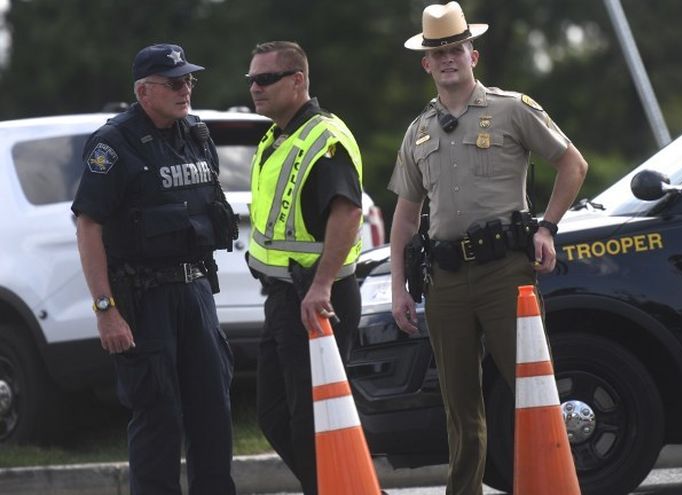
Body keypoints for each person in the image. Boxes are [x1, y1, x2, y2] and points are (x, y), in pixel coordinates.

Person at [389, 3, 589, 494]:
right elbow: (406, 216)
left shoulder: (511, 109)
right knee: (460, 407)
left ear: (472, 55)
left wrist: (547, 228)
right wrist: (398, 287)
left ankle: (552, 486)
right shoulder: (418, 131)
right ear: (427, 64)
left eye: (456, 49)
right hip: (445, 279)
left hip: (505, 273)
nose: (448, 58)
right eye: (438, 53)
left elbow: (573, 164)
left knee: (532, 390)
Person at [72, 43, 237, 495]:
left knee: (213, 411)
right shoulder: (113, 143)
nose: (186, 90)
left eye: (188, 80)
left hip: (196, 291)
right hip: (145, 299)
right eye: (174, 83)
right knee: (158, 417)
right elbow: (88, 226)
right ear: (144, 91)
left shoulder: (196, 134)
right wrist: (106, 309)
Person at [245, 41, 364, 495]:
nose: (255, 88)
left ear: (297, 81)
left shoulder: (322, 138)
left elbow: (347, 213)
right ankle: (354, 488)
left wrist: (321, 286)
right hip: (284, 297)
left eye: (265, 79)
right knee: (275, 415)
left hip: (315, 298)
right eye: (252, 80)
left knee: (313, 421)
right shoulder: (277, 136)